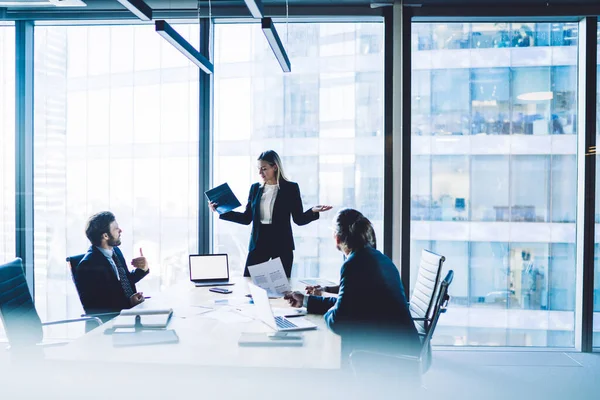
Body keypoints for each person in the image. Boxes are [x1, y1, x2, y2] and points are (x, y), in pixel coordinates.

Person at [284, 208, 420, 362]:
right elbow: (349, 305)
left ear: (336, 238)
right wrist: (306, 301)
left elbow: (339, 322)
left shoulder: (354, 264)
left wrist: (328, 314)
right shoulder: (378, 257)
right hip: (404, 346)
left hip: (390, 354)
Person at [209, 150, 331, 278]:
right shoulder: (255, 188)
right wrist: (221, 211)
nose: (260, 173)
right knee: (249, 281)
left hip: (281, 243)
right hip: (259, 242)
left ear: (275, 167)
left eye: (264, 168)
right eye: (258, 169)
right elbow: (246, 218)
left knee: (280, 287)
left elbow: (298, 219)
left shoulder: (290, 188)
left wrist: (313, 211)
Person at [75, 211, 149, 319]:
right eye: (116, 229)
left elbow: (124, 282)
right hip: (110, 325)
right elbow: (95, 308)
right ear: (105, 236)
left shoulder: (116, 251)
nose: (121, 230)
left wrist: (142, 269)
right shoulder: (87, 266)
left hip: (129, 316)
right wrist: (128, 304)